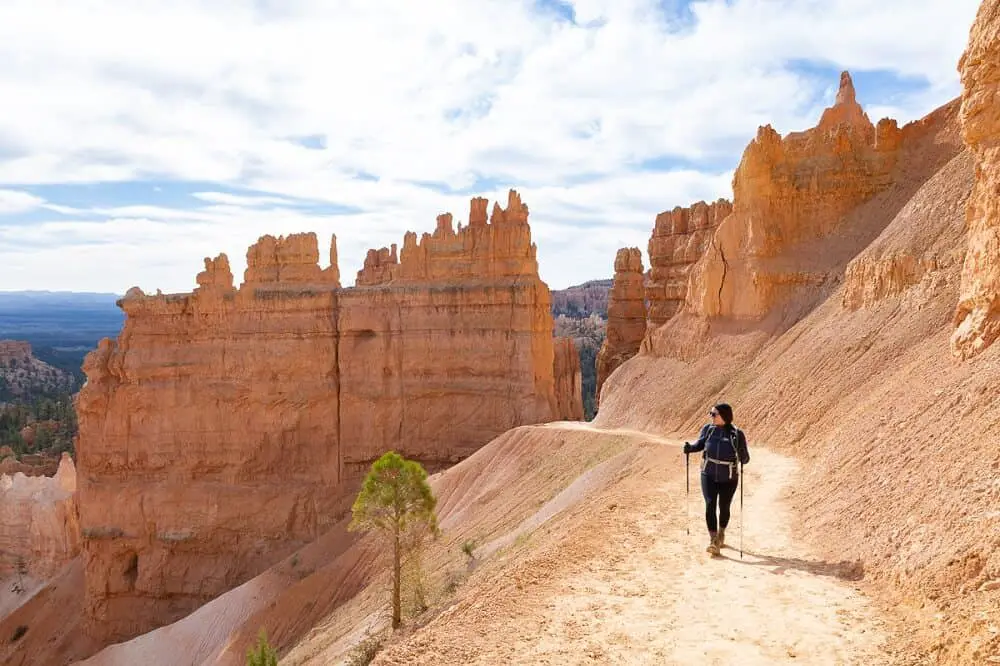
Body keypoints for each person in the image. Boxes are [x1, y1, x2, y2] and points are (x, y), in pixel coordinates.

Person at [683, 403, 750, 556]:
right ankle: (713, 541)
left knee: (724, 507)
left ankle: (721, 533)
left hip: (729, 478)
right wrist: (690, 448)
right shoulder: (708, 429)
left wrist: (742, 454)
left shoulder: (736, 434)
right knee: (710, 504)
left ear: (724, 416)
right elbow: (700, 444)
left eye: (714, 414)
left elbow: (745, 459)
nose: (711, 417)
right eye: (711, 414)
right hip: (708, 474)